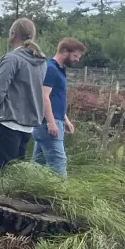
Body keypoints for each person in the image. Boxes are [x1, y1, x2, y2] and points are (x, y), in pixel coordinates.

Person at [0, 18, 50, 170]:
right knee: (17, 171)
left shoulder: (12, 58)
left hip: (8, 122)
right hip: (27, 125)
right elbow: (16, 81)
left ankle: (4, 195)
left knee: (6, 170)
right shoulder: (40, 61)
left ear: (13, 34)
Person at [31, 38, 85, 176]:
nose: (77, 60)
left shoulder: (59, 70)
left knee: (37, 165)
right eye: (75, 56)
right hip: (48, 125)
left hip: (53, 122)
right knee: (58, 165)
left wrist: (65, 120)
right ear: (65, 51)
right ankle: (62, 196)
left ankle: (26, 193)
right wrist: (51, 122)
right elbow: (44, 97)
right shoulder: (51, 69)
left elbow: (55, 99)